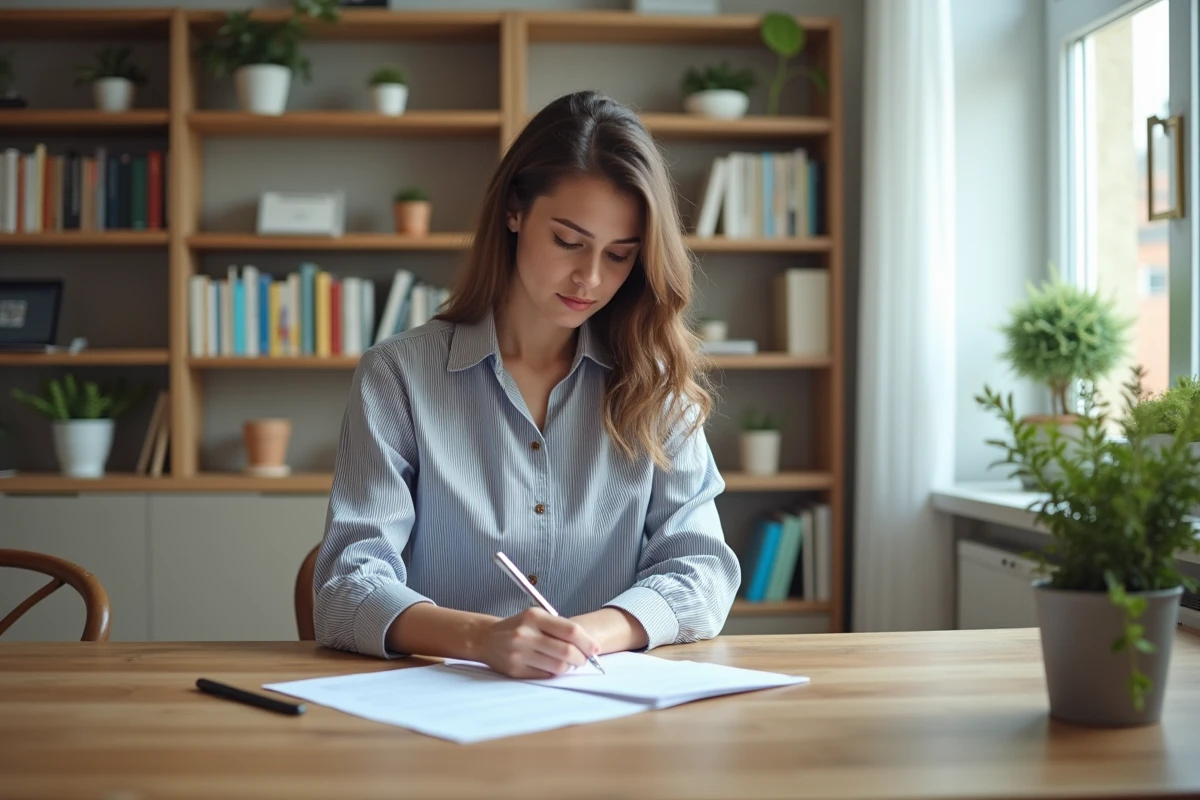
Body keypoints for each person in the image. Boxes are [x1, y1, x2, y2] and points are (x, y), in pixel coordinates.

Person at [314, 90, 740, 678]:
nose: (590, 278)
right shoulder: (397, 377)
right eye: (568, 241)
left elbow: (703, 570)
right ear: (514, 210)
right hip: (444, 718)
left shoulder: (654, 383)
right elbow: (344, 586)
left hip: (610, 713)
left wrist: (583, 636)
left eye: (619, 255)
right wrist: (483, 638)